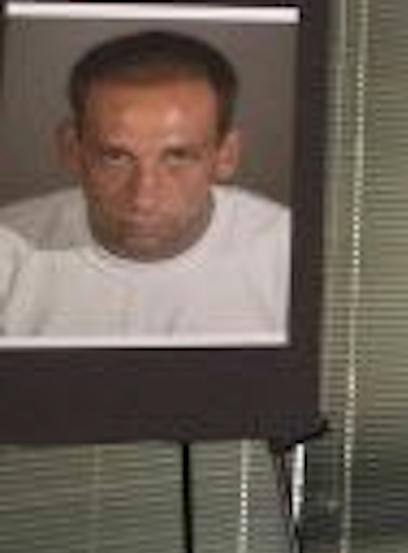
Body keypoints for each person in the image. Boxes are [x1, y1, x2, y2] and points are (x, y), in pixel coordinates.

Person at [0, 29, 289, 338]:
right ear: (73, 150)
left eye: (177, 156)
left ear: (226, 156)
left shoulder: (289, 255)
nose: (144, 198)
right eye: (116, 157)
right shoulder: (8, 253)